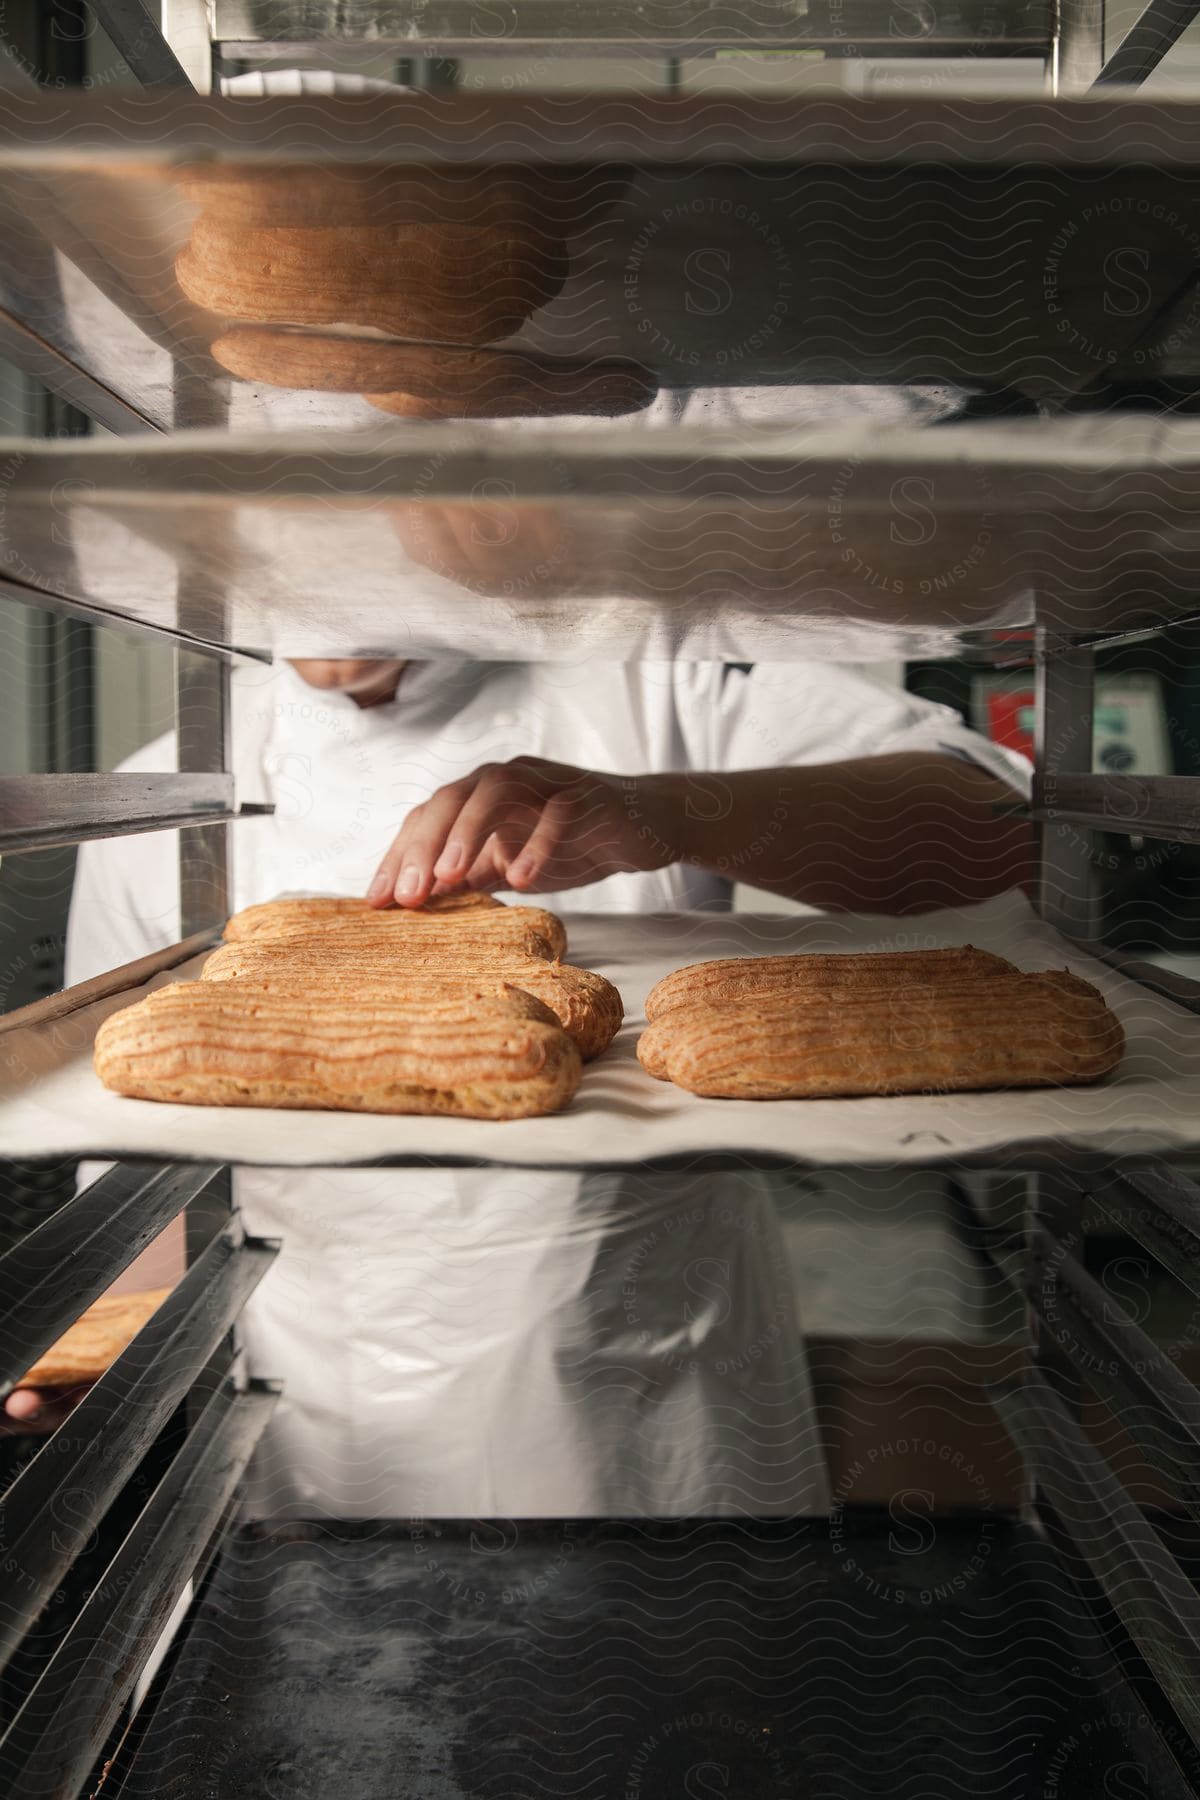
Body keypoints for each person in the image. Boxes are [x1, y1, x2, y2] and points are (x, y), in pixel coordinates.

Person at [5, 649, 1031, 1521]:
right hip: (299, 1405)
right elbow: (135, 1158)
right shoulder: (177, 783)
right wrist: (111, 1366)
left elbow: (997, 822)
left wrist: (670, 812)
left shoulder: (647, 675)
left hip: (640, 1391)